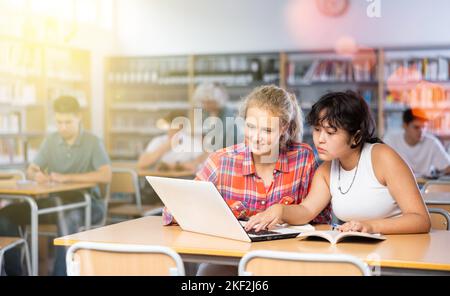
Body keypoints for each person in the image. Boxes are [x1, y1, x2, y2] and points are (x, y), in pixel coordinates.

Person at [163, 85, 331, 275]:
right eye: (250, 127)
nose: (256, 138)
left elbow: (321, 219)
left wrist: (285, 214)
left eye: (267, 130)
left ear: (283, 127)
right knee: (207, 273)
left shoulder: (302, 158)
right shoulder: (222, 160)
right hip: (232, 258)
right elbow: (173, 210)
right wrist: (215, 214)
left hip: (286, 257)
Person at [245, 91, 431, 235]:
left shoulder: (383, 158)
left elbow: (421, 220)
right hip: (360, 252)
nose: (320, 140)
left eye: (331, 133)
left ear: (356, 136)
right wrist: (280, 210)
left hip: (401, 249)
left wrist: (370, 226)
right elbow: (306, 210)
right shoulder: (326, 170)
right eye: (317, 130)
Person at [0, 95, 111, 276]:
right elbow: (31, 170)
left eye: (68, 122)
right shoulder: (51, 140)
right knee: (5, 216)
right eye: (59, 122)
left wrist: (66, 178)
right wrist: (36, 174)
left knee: (66, 220)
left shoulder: (92, 141)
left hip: (88, 203)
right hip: (55, 202)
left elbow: (106, 175)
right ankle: (16, 273)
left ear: (79, 117)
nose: (63, 127)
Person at [384, 108, 450, 178]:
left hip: (425, 185)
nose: (421, 131)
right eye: (416, 127)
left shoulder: (432, 143)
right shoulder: (390, 140)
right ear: (405, 126)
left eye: (424, 127)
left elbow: (448, 167)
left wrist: (438, 174)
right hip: (397, 184)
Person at [137, 110, 204, 171]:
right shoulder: (158, 141)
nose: (172, 130)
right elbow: (142, 163)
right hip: (160, 180)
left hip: (183, 180)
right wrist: (166, 147)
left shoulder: (192, 142)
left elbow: (198, 165)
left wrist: (170, 166)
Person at [192, 82, 243, 150]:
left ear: (217, 101)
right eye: (204, 102)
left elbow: (220, 143)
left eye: (209, 102)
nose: (206, 105)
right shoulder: (207, 114)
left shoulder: (228, 115)